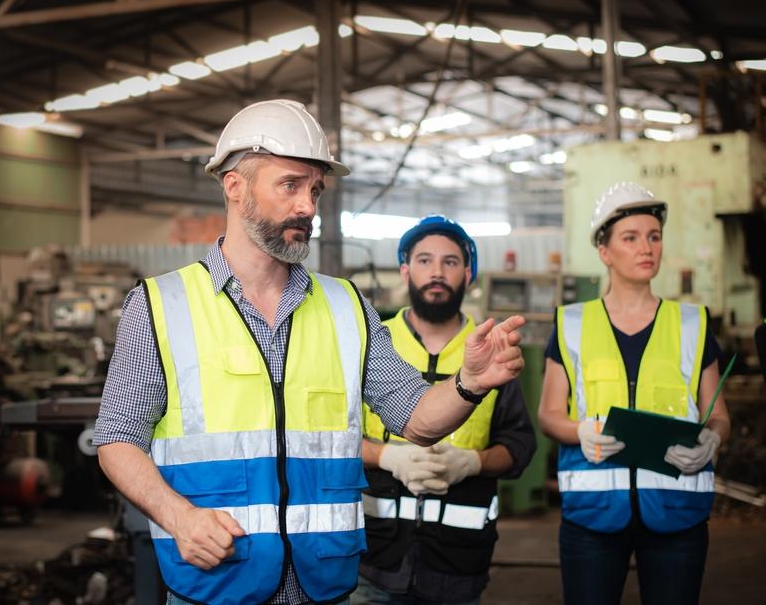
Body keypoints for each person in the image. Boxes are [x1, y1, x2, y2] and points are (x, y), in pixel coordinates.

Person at [94, 99, 526, 605]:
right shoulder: (160, 304)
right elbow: (117, 440)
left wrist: (469, 383)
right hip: (213, 582)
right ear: (234, 185)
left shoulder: (348, 307)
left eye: (315, 189)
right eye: (290, 184)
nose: (307, 206)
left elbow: (418, 419)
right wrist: (178, 517)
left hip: (325, 586)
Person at [538, 182, 730, 605]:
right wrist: (581, 431)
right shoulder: (571, 323)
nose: (647, 248)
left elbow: (719, 413)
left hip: (676, 511)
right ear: (604, 252)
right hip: (592, 514)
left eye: (654, 236)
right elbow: (550, 413)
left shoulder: (693, 324)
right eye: (631, 238)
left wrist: (712, 439)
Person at [354, 216, 537, 605]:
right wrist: (386, 456)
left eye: (450, 262)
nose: (436, 272)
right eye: (424, 260)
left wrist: (471, 463)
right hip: (372, 559)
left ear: (468, 274)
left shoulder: (491, 352)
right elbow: (330, 437)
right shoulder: (373, 343)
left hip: (458, 563)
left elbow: (519, 447)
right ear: (405, 271)